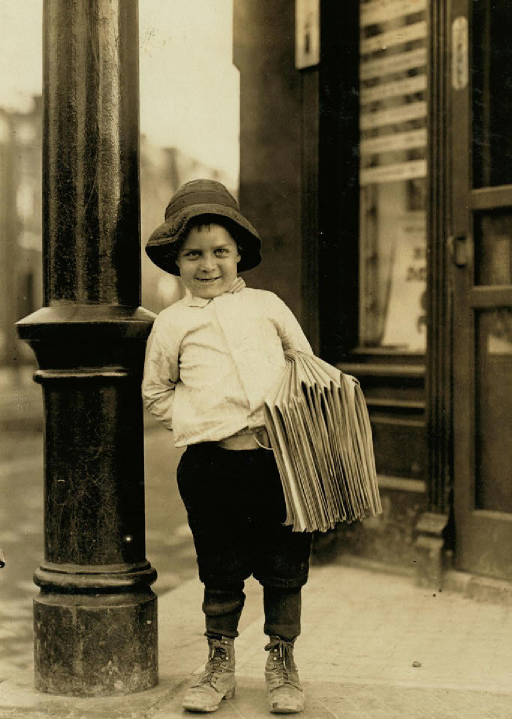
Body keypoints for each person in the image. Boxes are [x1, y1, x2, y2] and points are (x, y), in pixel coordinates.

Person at [142, 178, 314, 714]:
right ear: (176, 261)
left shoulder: (268, 306)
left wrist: (284, 417)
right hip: (210, 466)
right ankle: (219, 664)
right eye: (193, 255)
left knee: (284, 564)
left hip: (277, 462)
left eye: (220, 252)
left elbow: (304, 367)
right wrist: (199, 419)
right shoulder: (171, 323)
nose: (208, 265)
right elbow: (156, 391)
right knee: (220, 565)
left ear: (240, 253)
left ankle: (282, 662)